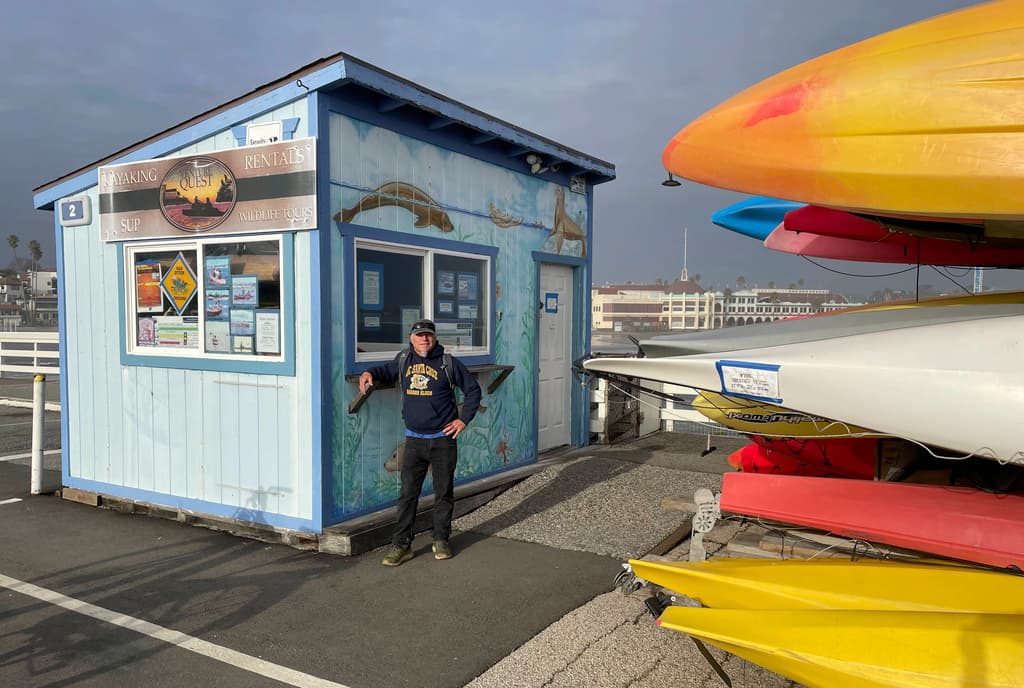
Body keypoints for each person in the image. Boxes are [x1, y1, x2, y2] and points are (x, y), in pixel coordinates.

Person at [359, 319, 482, 566]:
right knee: (407, 495)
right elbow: (386, 370)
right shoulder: (404, 360)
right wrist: (368, 372)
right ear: (411, 338)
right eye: (419, 335)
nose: (424, 339)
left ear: (434, 338)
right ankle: (401, 545)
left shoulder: (448, 363)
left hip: (443, 440)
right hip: (414, 440)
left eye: (428, 335)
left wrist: (463, 420)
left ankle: (441, 539)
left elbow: (473, 391)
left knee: (443, 492)